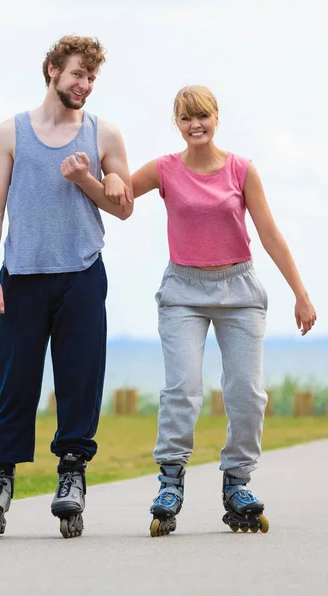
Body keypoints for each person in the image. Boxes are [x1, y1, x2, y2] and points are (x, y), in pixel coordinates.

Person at [102, 85, 317, 536]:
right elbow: (118, 203)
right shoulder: (164, 169)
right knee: (183, 388)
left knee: (246, 392)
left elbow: (270, 234)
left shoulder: (241, 170)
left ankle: (237, 481)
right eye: (186, 118)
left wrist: (301, 293)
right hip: (183, 290)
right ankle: (170, 480)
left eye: (202, 116)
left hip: (239, 289)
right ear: (177, 124)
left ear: (217, 118)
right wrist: (99, 178)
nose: (195, 124)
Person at [0, 35, 133, 540]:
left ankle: (72, 476)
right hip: (21, 275)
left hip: (83, 274)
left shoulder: (104, 134)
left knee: (79, 379)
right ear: (51, 71)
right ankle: (0, 478)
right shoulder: (10, 133)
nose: (84, 85)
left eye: (91, 78)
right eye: (76, 75)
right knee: (15, 381)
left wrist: (88, 180)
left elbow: (124, 206)